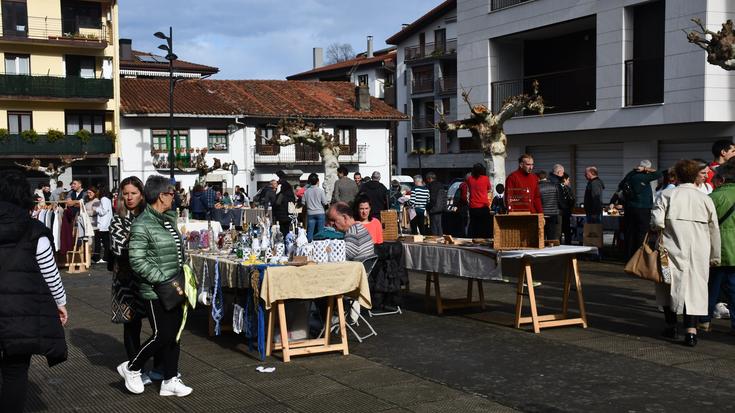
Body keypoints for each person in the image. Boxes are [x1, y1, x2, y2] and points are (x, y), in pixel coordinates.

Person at [118, 175, 192, 397]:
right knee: (162, 334)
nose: (174, 197)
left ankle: (170, 378)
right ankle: (132, 367)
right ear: (162, 195)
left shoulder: (167, 219)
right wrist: (162, 279)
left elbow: (177, 252)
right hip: (156, 289)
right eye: (172, 193)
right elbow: (138, 260)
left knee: (174, 335)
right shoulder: (142, 224)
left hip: (174, 286)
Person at [0, 169, 68, 412]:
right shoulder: (34, 230)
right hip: (22, 313)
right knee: (15, 372)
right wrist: (60, 302)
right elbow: (50, 273)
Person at [651, 159, 720, 347]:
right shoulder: (705, 198)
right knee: (695, 288)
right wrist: (715, 256)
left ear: (677, 175)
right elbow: (714, 229)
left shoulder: (666, 195)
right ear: (695, 176)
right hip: (699, 249)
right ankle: (691, 332)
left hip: (671, 248)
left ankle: (671, 326)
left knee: (667, 285)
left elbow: (656, 222)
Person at [109, 177, 156, 385]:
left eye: (133, 193)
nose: (129, 197)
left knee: (159, 327)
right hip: (126, 281)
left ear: (142, 194)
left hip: (149, 279)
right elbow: (119, 249)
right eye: (125, 193)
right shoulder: (118, 220)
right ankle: (136, 369)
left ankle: (158, 368)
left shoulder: (150, 216)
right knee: (131, 326)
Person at [699, 162, 735, 334]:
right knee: (734, 287)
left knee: (711, 286)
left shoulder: (713, 198)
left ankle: (704, 321)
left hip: (716, 249)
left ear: (721, 179)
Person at [615, 160, 663, 259]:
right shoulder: (644, 176)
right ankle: (639, 257)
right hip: (643, 208)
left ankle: (628, 255)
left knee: (630, 231)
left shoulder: (631, 174)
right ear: (646, 168)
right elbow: (659, 173)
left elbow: (620, 185)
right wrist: (646, 169)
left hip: (629, 207)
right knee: (641, 232)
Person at [467, 163, 492, 238]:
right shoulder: (486, 178)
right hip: (483, 206)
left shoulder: (469, 179)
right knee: (484, 225)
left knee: (473, 225)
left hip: (473, 206)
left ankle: (473, 239)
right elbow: (489, 189)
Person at [303, 173, 329, 242]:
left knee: (310, 232)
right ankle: (319, 246)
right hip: (320, 212)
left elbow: (303, 202)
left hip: (310, 213)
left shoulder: (306, 192)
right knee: (320, 231)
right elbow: (325, 202)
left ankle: (309, 246)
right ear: (318, 181)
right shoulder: (320, 191)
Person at [537, 171, 561, 242]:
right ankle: (552, 250)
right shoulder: (554, 186)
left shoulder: (537, 187)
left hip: (542, 214)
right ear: (546, 177)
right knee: (552, 236)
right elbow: (558, 199)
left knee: (541, 236)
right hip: (553, 214)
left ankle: (543, 252)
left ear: (538, 178)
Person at [273, 171, 295, 239]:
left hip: (281, 215)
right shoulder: (290, 192)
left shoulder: (281, 193)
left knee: (283, 231)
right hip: (289, 214)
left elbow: (277, 203)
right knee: (288, 230)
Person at [96, 186, 114, 264]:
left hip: (103, 224)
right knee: (106, 242)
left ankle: (103, 257)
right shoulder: (108, 199)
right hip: (107, 224)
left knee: (101, 241)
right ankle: (106, 257)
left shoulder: (103, 199)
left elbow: (104, 211)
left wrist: (96, 209)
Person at [85, 186, 103, 263]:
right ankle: (89, 256)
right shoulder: (87, 201)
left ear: (94, 193)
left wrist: (85, 213)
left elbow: (95, 212)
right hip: (88, 224)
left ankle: (94, 257)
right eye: (88, 192)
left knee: (93, 242)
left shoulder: (97, 201)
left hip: (94, 225)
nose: (88, 194)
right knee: (89, 241)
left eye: (90, 192)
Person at [425, 172, 446, 236]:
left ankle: (435, 240)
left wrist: (428, 207)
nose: (427, 181)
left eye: (427, 179)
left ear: (430, 178)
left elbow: (432, 199)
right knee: (439, 225)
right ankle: (440, 238)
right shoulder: (441, 185)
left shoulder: (431, 186)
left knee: (434, 226)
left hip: (434, 208)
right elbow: (445, 197)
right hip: (441, 208)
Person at [560, 173, 576, 245]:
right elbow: (572, 200)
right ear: (564, 179)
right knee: (566, 231)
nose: (569, 181)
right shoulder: (566, 189)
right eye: (568, 180)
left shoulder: (565, 188)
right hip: (565, 213)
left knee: (561, 231)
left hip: (562, 213)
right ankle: (567, 245)